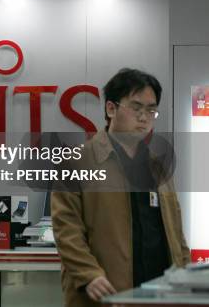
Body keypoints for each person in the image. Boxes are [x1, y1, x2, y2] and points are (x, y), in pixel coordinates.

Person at [51, 68, 190, 307]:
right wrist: (89, 274)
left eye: (151, 110)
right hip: (107, 293)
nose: (144, 117)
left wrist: (185, 274)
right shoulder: (78, 161)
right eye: (136, 108)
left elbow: (175, 230)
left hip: (161, 295)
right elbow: (67, 229)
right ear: (111, 109)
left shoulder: (158, 167)